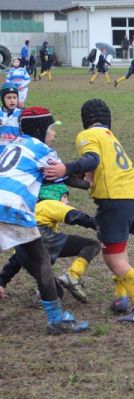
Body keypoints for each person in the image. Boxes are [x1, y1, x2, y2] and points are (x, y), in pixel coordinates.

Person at [43, 99, 134, 323]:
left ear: (86, 119)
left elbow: (91, 160)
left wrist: (65, 167)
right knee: (118, 250)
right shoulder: (109, 136)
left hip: (115, 201)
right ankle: (121, 297)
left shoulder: (87, 135)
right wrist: (72, 176)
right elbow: (92, 175)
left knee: (113, 258)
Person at [0, 105, 89, 334]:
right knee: (42, 262)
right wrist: (94, 184)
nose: (54, 134)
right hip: (13, 207)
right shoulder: (42, 149)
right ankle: (55, 319)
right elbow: (65, 176)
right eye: (52, 128)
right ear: (41, 129)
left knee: (39, 259)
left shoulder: (10, 145)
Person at [0, 181, 99, 303]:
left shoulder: (30, 212)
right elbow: (76, 216)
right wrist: (102, 225)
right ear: (54, 195)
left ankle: (42, 295)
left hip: (24, 247)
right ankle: (72, 276)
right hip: (43, 238)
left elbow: (16, 260)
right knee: (92, 244)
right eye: (64, 197)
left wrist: (2, 282)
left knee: (56, 294)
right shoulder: (49, 203)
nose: (67, 202)